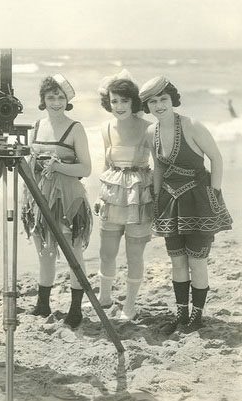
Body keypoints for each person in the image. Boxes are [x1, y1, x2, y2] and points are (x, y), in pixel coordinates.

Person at [140, 76, 232, 334]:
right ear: (147, 106)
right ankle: (181, 314)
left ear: (172, 100)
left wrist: (214, 193)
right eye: (153, 102)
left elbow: (216, 159)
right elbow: (158, 167)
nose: (159, 106)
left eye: (163, 100)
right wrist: (157, 199)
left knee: (197, 261)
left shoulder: (192, 125)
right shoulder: (151, 131)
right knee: (177, 261)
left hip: (198, 200)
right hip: (170, 201)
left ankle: (197, 316)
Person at [21, 74, 92, 329]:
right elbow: (29, 165)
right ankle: (43, 304)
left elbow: (86, 168)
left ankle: (75, 309)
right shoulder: (37, 126)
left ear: (67, 100)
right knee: (45, 252)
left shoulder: (76, 128)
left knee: (73, 252)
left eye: (61, 97)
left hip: (67, 197)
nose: (56, 102)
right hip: (38, 196)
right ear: (43, 100)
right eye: (51, 97)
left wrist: (59, 166)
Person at [94, 70, 153, 320]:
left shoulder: (149, 128)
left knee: (134, 254)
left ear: (133, 101)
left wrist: (157, 197)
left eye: (124, 100)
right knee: (106, 252)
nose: (119, 106)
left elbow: (157, 166)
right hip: (111, 194)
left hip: (138, 195)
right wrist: (99, 196)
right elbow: (106, 165)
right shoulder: (106, 128)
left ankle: (129, 305)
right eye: (114, 101)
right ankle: (104, 298)